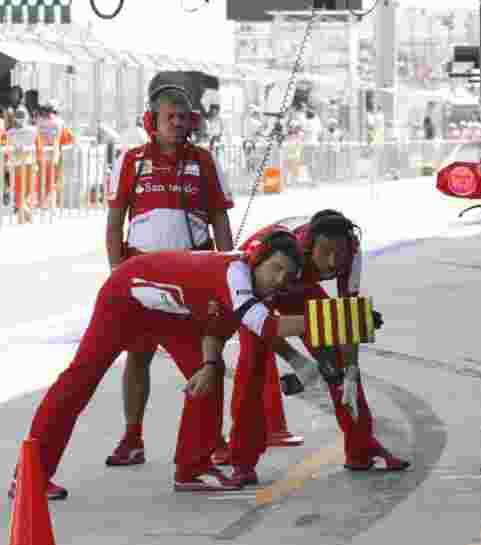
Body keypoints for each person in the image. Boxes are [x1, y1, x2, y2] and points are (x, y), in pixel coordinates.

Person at [9, 232, 310, 499]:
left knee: (209, 373)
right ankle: (30, 476)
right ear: (256, 260)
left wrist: (206, 363)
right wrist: (331, 321)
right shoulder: (236, 277)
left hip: (165, 312)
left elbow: (213, 332)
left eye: (289, 274)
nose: (281, 280)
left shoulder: (248, 283)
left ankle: (192, 470)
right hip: (125, 296)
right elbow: (267, 327)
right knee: (79, 380)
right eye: (276, 268)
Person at [218, 210, 410, 483]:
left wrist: (352, 370)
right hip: (260, 292)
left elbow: (348, 318)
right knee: (253, 370)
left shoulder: (352, 254)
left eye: (339, 253)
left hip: (302, 289)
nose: (332, 263)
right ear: (307, 247)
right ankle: (242, 461)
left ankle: (362, 448)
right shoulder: (273, 251)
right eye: (325, 252)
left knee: (339, 370)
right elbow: (261, 324)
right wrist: (295, 359)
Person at [103, 82, 235, 468]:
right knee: (137, 355)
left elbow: (219, 217)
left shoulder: (205, 161)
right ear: (151, 121)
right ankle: (132, 438)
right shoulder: (130, 161)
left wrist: (228, 264)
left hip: (194, 276)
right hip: (141, 275)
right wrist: (117, 274)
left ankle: (214, 439)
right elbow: (114, 224)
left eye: (183, 118)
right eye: (169, 118)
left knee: (202, 358)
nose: (177, 124)